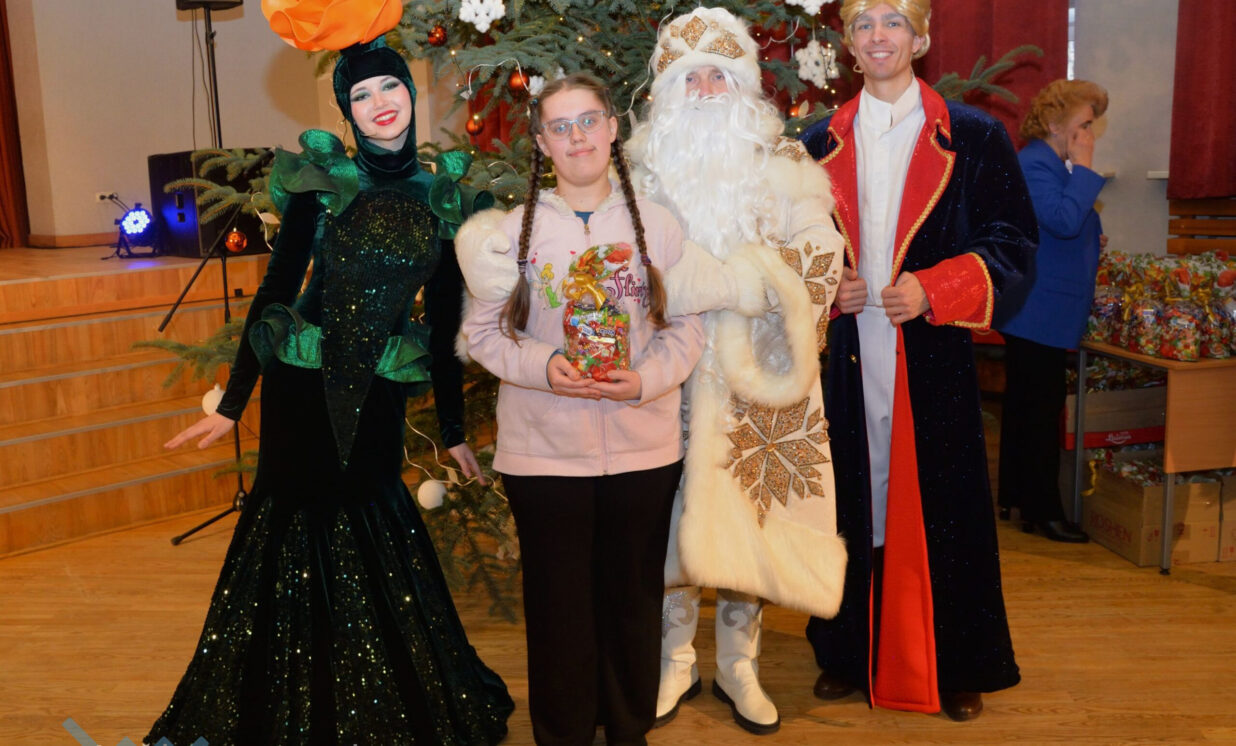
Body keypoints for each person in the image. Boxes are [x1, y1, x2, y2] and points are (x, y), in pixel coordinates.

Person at [144, 10, 513, 745]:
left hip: (377, 390)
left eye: (390, 87)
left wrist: (450, 430)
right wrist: (233, 403)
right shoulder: (324, 182)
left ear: (410, 92)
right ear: (347, 111)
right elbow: (277, 293)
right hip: (301, 387)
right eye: (361, 95)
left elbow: (443, 326)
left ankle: (372, 705)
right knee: (293, 532)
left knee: (372, 520)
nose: (380, 103)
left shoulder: (442, 198)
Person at [799, 0, 1037, 722]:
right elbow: (785, 248)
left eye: (893, 22)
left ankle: (958, 660)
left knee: (944, 499)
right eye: (864, 23)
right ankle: (848, 651)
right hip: (846, 353)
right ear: (849, 43)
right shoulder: (816, 141)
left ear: (920, 37)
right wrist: (823, 285)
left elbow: (1012, 242)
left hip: (933, 351)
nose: (879, 36)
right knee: (849, 498)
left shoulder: (972, 135)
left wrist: (935, 288)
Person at [458, 73, 705, 746]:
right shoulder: (509, 233)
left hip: (642, 448)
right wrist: (544, 367)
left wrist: (646, 380)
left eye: (589, 121)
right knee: (558, 607)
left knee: (633, 603)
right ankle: (563, 733)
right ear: (541, 143)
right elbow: (483, 334)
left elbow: (687, 329)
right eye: (560, 127)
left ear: (613, 128)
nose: (577, 138)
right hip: (544, 455)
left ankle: (628, 729)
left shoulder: (659, 226)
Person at [631, 7, 848, 735]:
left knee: (751, 514)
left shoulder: (784, 165)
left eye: (717, 77)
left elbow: (822, 249)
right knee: (668, 516)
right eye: (688, 79)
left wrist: (751, 284)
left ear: (743, 85)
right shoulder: (639, 170)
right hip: (668, 374)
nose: (703, 91)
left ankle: (738, 662)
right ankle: (674, 659)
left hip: (758, 368)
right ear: (667, 92)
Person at [997, 79, 1110, 543]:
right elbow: (1062, 221)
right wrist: (1084, 166)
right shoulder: (1034, 164)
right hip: (1037, 309)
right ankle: (1044, 511)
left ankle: (1016, 497)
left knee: (1026, 406)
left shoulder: (1047, 164)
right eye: (1084, 124)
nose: (1089, 135)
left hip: (1043, 306)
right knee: (1041, 411)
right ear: (1055, 123)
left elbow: (1059, 223)